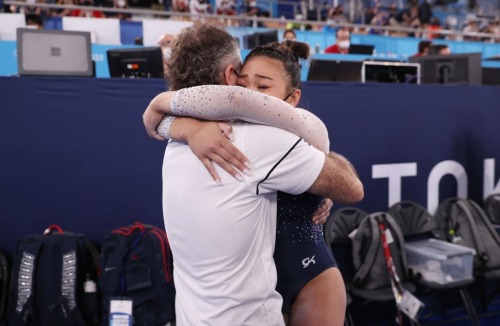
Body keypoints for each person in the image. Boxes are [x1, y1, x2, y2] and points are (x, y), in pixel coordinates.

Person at [143, 23, 364, 325]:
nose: (252, 94)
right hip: (253, 305)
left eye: (263, 88)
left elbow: (347, 184)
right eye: (247, 84)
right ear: (231, 77)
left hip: (297, 279)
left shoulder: (178, 139)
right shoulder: (232, 136)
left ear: (292, 98)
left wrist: (163, 110)